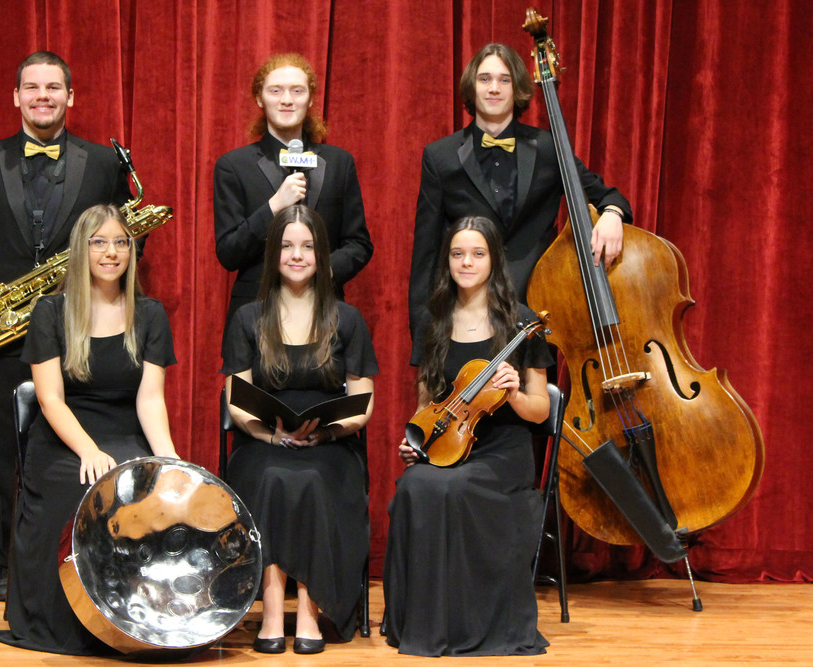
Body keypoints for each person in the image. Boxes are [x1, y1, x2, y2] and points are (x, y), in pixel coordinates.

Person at [0, 51, 132, 599]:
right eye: (32, 87)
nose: (43, 96)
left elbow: (122, 241)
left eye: (54, 87)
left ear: (71, 96)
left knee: (72, 451)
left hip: (77, 333)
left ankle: (72, 561)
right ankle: (1, 568)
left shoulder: (104, 165)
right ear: (16, 97)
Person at [0, 204, 179, 655]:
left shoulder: (150, 315)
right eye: (99, 242)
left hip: (125, 431)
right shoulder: (50, 312)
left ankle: (133, 624)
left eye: (120, 242)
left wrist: (170, 459)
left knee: (138, 493)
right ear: (82, 250)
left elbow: (150, 399)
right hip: (64, 436)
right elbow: (50, 398)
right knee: (75, 491)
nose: (110, 252)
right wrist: (88, 450)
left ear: (131, 251)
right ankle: (58, 624)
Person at [384, 216, 554, 656]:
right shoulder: (434, 319)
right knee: (415, 486)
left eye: (478, 253)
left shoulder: (521, 324)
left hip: (505, 450)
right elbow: (427, 401)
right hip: (449, 443)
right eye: (458, 254)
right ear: (447, 261)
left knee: (455, 488)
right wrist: (418, 439)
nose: (467, 262)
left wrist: (515, 393)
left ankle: (469, 627)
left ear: (494, 260)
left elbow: (540, 411)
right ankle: (423, 625)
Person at [221, 205, 377, 654]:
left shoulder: (347, 319)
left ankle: (309, 610)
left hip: (329, 445)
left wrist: (326, 434)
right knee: (271, 478)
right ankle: (272, 611)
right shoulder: (249, 318)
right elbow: (237, 396)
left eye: (307, 246)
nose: (296, 254)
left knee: (311, 480)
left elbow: (362, 402)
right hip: (264, 441)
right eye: (287, 246)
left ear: (321, 254)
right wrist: (270, 435)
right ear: (273, 254)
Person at [408, 42, 632, 340]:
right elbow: (426, 252)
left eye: (505, 80)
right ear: (471, 87)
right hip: (466, 313)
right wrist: (422, 338)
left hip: (539, 307)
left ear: (518, 89)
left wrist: (612, 214)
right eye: (484, 79)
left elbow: (608, 195)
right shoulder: (440, 156)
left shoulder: (548, 148)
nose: (494, 88)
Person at [214, 53, 372, 342]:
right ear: (260, 99)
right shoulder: (233, 166)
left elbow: (359, 244)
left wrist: (318, 271)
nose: (287, 99)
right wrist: (274, 205)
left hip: (325, 315)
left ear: (311, 99)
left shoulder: (340, 162)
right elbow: (228, 252)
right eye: (276, 90)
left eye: (297, 91)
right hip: (257, 316)